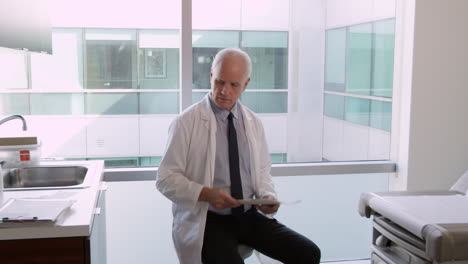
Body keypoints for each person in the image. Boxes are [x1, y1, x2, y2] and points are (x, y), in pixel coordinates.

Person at [156, 48, 321, 264]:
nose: (224, 91)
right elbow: (165, 179)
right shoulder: (186, 122)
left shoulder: (253, 123)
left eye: (233, 85)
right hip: (209, 220)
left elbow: (262, 171)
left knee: (308, 253)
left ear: (246, 84)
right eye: (220, 82)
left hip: (248, 216)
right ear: (211, 76)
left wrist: (267, 196)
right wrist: (206, 193)